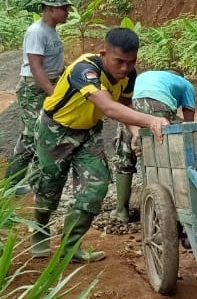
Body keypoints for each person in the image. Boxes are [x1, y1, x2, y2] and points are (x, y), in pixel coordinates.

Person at [28, 27, 169, 263]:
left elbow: (125, 106)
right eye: (119, 61)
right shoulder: (84, 70)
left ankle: (70, 249)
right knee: (49, 188)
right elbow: (108, 107)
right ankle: (40, 234)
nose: (125, 68)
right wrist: (151, 120)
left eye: (131, 62)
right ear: (104, 53)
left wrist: (134, 131)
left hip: (88, 132)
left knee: (96, 187)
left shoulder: (129, 75)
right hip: (55, 130)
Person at [110, 70, 197, 222]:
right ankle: (159, 209)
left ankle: (121, 211)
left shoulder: (147, 75)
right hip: (158, 104)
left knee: (125, 156)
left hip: (129, 106)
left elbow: (125, 100)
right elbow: (189, 126)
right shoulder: (186, 84)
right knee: (159, 156)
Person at [4, 0, 70, 188]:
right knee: (32, 134)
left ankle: (31, 179)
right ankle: (13, 182)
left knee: (44, 132)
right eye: (63, 8)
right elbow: (35, 67)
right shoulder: (37, 32)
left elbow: (54, 63)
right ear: (50, 9)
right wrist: (53, 93)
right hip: (34, 87)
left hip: (49, 82)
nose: (67, 12)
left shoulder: (51, 31)